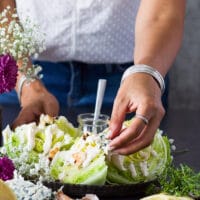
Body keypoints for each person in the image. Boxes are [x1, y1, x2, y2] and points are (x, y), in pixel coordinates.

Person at [0, 0, 186, 155]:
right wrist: (25, 81)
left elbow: (163, 11)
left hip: (131, 80)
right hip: (24, 70)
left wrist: (147, 71)